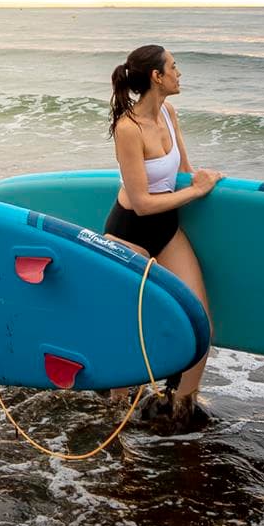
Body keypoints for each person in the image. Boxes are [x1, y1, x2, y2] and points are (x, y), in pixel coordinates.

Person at [104, 45, 220, 428]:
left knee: (200, 320)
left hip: (166, 227)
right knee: (126, 329)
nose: (179, 72)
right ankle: (114, 412)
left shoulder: (169, 113)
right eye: (173, 67)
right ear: (157, 77)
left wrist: (202, 184)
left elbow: (184, 171)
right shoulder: (128, 129)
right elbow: (140, 203)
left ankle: (181, 407)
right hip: (131, 230)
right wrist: (196, 192)